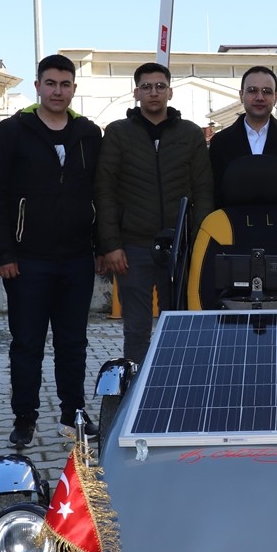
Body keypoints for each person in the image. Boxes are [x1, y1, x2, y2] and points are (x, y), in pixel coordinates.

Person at [0, 54, 102, 448]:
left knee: (73, 343)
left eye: (65, 84)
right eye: (50, 83)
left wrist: (101, 246)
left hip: (77, 258)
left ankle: (74, 414)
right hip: (26, 260)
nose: (57, 91)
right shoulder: (13, 131)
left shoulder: (89, 133)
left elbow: (100, 193)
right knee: (27, 343)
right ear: (37, 86)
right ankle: (25, 418)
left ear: (73, 88)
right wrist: (3, 253)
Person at [97, 61, 213, 363]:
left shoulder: (190, 134)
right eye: (146, 87)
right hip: (133, 247)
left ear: (170, 92)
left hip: (179, 247)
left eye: (160, 86)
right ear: (136, 92)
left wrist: (197, 241)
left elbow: (203, 190)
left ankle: (175, 384)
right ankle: (137, 387)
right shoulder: (118, 133)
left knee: (178, 326)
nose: (154, 92)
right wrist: (111, 245)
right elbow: (105, 191)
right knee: (136, 329)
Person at [209, 65, 277, 207]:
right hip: (234, 220)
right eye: (252, 90)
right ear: (241, 95)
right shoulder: (220, 143)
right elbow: (215, 195)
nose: (260, 97)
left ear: (275, 97)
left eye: (267, 92)